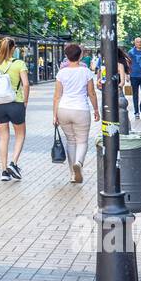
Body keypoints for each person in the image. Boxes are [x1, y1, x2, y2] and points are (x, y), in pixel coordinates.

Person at [53, 43, 99, 184]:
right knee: (82, 141)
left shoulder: (61, 73)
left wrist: (54, 115)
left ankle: (73, 174)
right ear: (80, 55)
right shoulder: (86, 72)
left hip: (64, 109)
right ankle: (79, 163)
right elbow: (91, 93)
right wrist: (96, 109)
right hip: (81, 110)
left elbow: (57, 96)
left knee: (71, 141)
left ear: (66, 57)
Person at [0, 38, 29, 182]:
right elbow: (25, 84)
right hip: (15, 103)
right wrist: (25, 101)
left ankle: (4, 171)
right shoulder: (19, 64)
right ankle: (14, 163)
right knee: (20, 135)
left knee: (3, 137)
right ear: (13, 49)